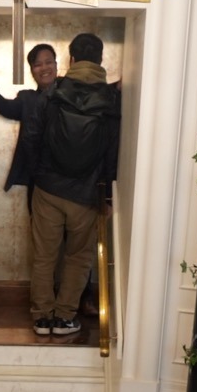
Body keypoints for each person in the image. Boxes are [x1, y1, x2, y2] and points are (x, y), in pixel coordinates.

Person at [30, 32, 120, 337]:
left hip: (48, 189)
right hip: (85, 193)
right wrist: (107, 196)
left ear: (70, 59)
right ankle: (65, 318)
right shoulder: (111, 98)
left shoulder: (53, 91)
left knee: (44, 256)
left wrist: (39, 176)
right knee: (79, 257)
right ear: (101, 59)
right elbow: (111, 152)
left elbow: (35, 137)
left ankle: (42, 318)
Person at [0, 44, 58, 195]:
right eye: (38, 65)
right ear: (32, 71)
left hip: (68, 180)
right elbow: (6, 107)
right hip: (38, 180)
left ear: (56, 65)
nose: (44, 68)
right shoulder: (28, 99)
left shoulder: (71, 96)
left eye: (48, 62)